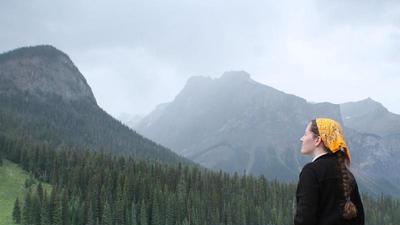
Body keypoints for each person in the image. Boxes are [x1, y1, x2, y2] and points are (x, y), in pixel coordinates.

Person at [294, 118, 364, 225]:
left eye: (305, 134)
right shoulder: (347, 174)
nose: (301, 138)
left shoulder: (311, 172)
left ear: (317, 140)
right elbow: (359, 219)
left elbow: (304, 219)